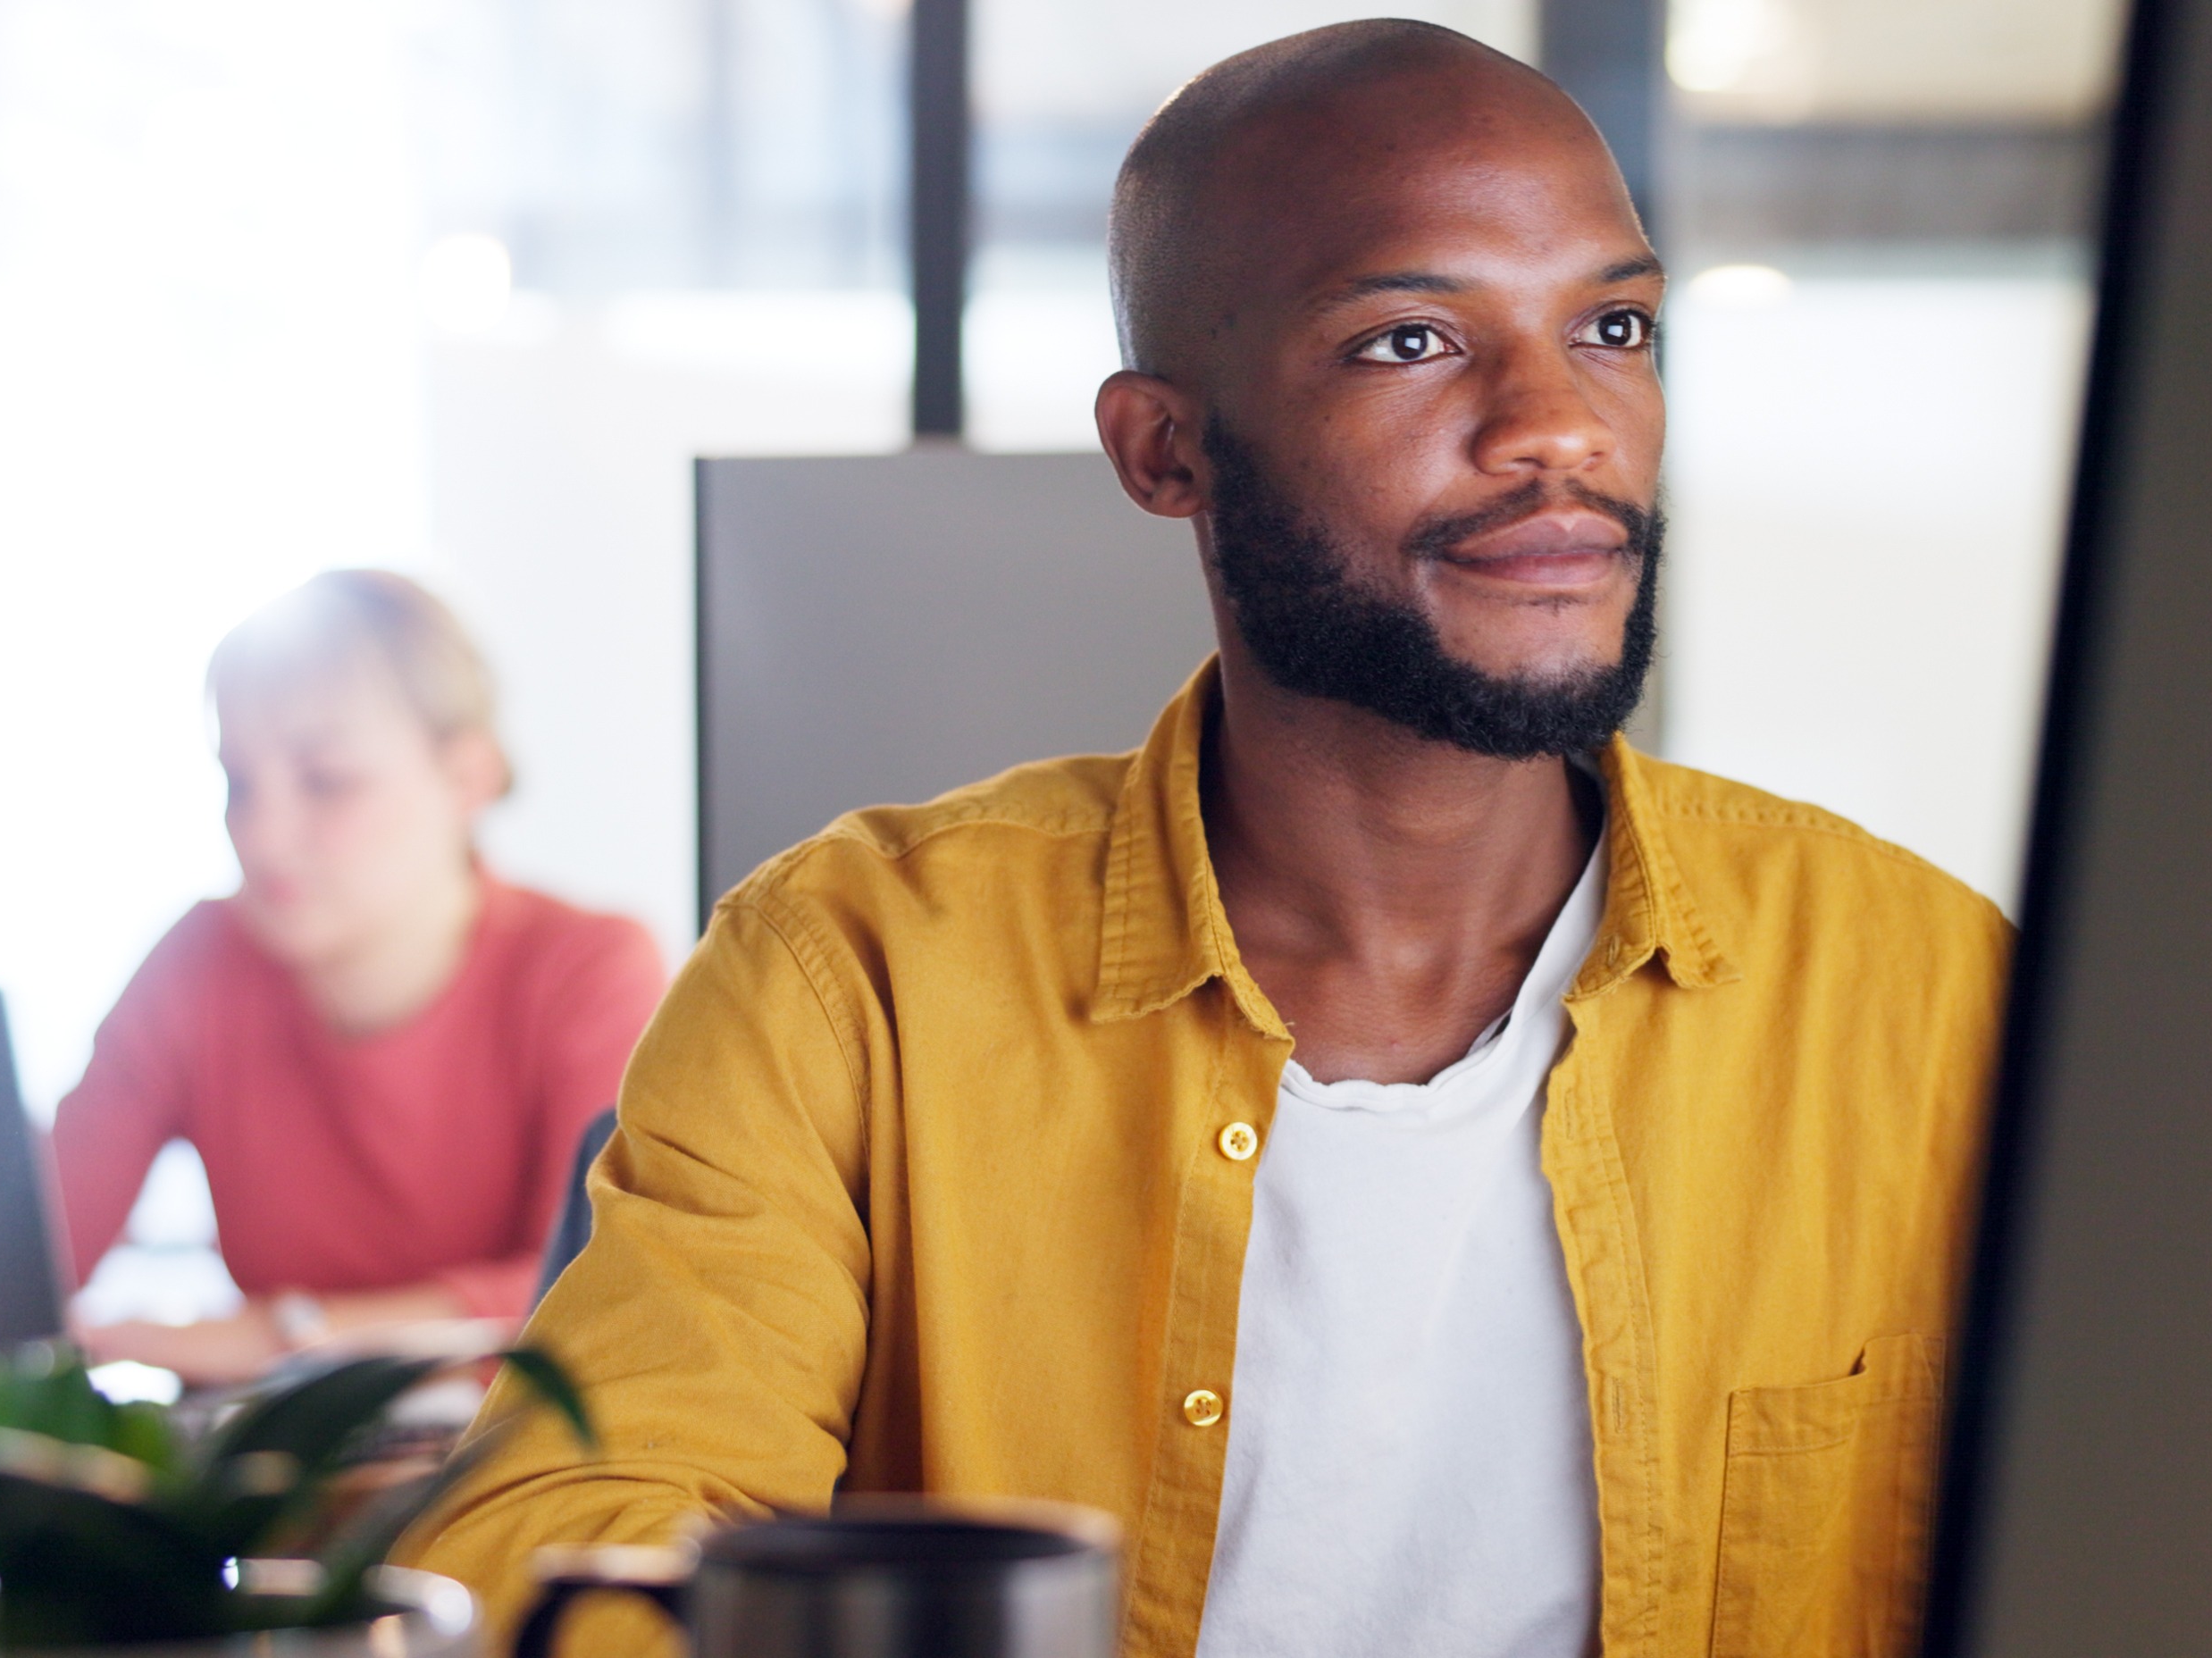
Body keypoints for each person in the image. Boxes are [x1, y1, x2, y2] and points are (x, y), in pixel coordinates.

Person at [409, 21, 2008, 1657]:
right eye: (1409, 340)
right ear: (1162, 450)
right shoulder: (852, 978)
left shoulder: (1933, 993)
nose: (1560, 428)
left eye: (1612, 326)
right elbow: (568, 1551)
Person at [52, 571, 667, 1386]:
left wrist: (290, 1338)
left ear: (467, 780)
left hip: (521, 1487)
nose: (262, 837)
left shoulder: (588, 970)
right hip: (278, 1488)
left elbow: (598, 1294)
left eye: (326, 781)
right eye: (238, 782)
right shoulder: (199, 960)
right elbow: (20, 1257)